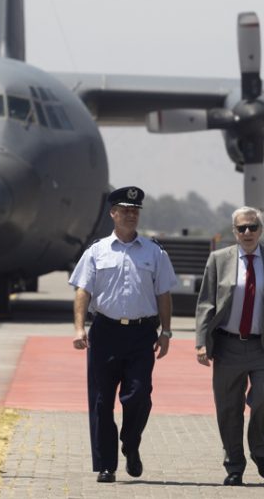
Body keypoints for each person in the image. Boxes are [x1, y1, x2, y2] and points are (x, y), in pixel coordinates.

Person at [70, 186, 178, 483]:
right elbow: (83, 290)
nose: (131, 215)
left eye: (135, 210)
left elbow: (164, 294)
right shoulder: (97, 251)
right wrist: (80, 328)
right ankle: (107, 464)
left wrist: (166, 331)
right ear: (113, 214)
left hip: (142, 334)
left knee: (139, 396)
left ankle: (131, 443)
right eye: (125, 210)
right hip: (105, 332)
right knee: (102, 402)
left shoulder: (154, 252)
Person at [195, 206, 264, 486]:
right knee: (228, 408)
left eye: (253, 227)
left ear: (261, 230)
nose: (248, 232)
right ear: (234, 232)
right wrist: (202, 342)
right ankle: (234, 465)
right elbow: (206, 303)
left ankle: (259, 448)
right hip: (228, 346)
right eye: (242, 228)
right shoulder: (218, 260)